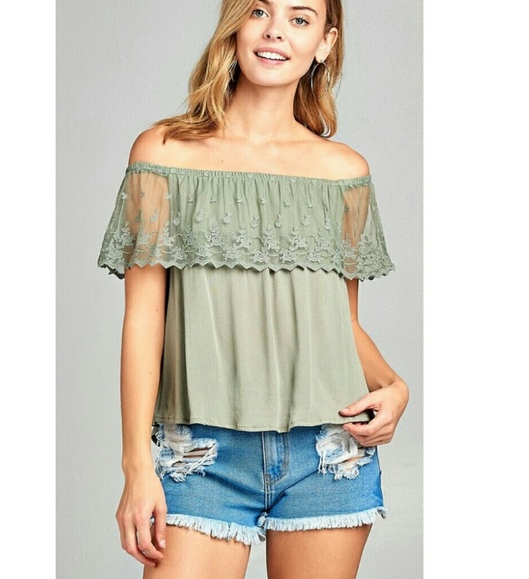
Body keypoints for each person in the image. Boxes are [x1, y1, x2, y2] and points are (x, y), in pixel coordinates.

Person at [98, 1, 409, 577]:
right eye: (260, 10)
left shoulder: (344, 172)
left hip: (327, 451)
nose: (275, 32)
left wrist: (394, 385)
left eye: (300, 18)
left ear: (325, 42)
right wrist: (136, 465)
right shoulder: (163, 154)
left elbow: (339, 323)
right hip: (202, 455)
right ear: (235, 24)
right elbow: (144, 317)